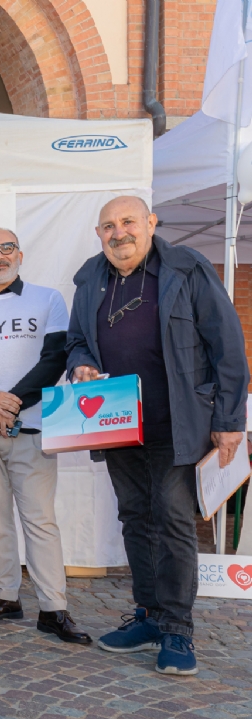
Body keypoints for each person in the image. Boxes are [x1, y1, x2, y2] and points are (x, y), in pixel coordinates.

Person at [67, 196, 249, 676]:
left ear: (150, 223)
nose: (118, 232)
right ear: (98, 233)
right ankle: (148, 615)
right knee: (134, 517)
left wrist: (231, 421)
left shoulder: (186, 268)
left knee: (170, 520)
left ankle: (178, 629)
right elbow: (76, 339)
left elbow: (227, 344)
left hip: (179, 421)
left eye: (128, 222)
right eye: (108, 225)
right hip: (117, 422)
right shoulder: (90, 279)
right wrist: (81, 363)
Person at [0, 229, 90, 644]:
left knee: (40, 521)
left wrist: (9, 405)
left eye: (5, 248)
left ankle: (53, 608)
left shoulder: (47, 299)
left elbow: (55, 359)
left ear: (20, 254)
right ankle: (5, 595)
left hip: (33, 428)